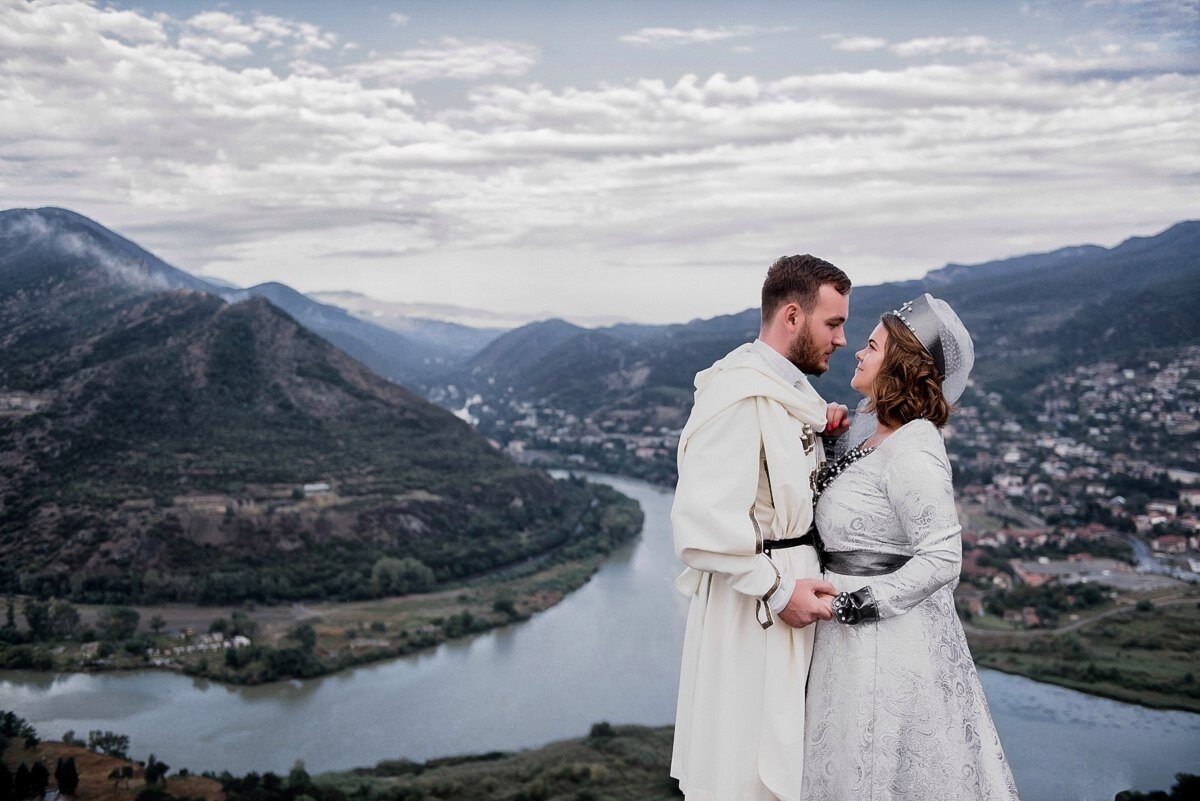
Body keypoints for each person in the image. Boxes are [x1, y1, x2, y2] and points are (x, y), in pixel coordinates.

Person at [801, 293, 1021, 800]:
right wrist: (826, 435)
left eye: (872, 347)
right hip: (840, 634)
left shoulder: (915, 443)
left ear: (898, 366)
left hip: (879, 638)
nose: (857, 352)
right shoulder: (868, 433)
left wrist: (860, 605)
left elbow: (943, 556)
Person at [670, 254, 852, 801]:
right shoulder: (737, 395)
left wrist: (826, 430)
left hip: (792, 588)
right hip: (758, 602)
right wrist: (777, 591)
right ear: (792, 317)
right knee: (748, 758)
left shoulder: (790, 394)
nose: (842, 340)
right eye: (834, 323)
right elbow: (701, 524)